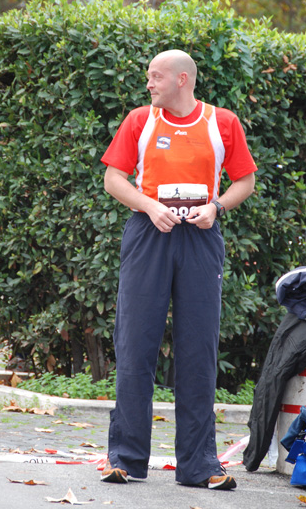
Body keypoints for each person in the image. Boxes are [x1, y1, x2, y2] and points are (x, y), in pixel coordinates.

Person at [100, 49, 257, 490]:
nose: (148, 84)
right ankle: (125, 459)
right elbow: (113, 178)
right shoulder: (139, 121)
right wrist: (149, 206)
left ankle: (200, 465)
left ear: (182, 79)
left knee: (198, 350)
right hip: (149, 235)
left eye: (155, 76)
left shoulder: (222, 122)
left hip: (201, 237)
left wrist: (216, 206)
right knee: (135, 344)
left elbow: (244, 180)